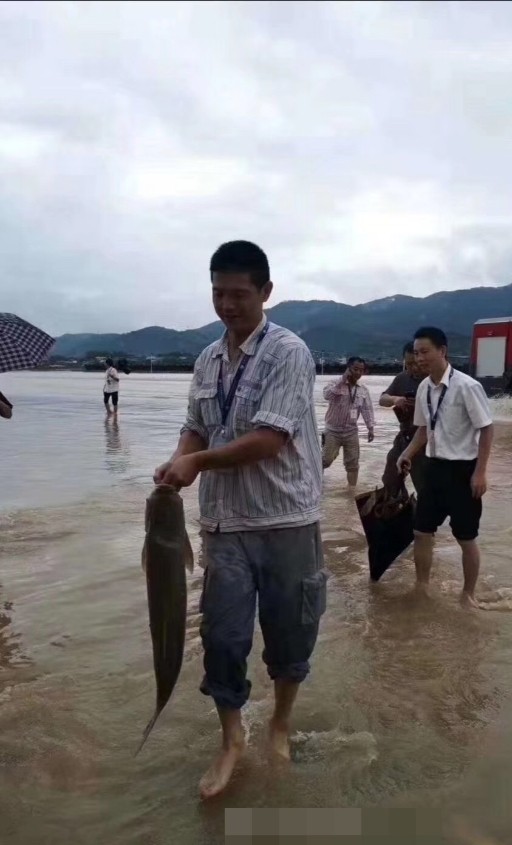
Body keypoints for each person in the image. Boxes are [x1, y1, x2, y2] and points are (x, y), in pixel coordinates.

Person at [153, 240, 326, 801]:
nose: (227, 305)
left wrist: (199, 461)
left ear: (266, 292)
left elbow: (271, 439)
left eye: (239, 294)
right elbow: (196, 424)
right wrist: (182, 457)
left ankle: (279, 722)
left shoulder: (289, 352)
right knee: (223, 639)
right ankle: (231, 738)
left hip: (286, 520)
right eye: (218, 293)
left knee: (290, 633)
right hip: (224, 526)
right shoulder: (206, 359)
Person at [397, 327, 493, 609]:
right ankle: (422, 586)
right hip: (434, 470)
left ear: (443, 351)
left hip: (464, 472)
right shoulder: (425, 387)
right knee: (421, 532)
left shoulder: (467, 386)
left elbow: (487, 430)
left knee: (466, 537)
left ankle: (468, 595)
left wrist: (481, 472)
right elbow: (423, 430)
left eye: (425, 351)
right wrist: (406, 453)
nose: (419, 358)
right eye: (416, 353)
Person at [379, 342, 426, 497]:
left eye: (416, 363)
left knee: (424, 487)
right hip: (404, 439)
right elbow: (382, 399)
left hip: (426, 444)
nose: (413, 367)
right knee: (390, 478)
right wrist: (395, 399)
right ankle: (400, 507)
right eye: (408, 363)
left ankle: (426, 516)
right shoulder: (402, 378)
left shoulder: (433, 381)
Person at [322, 357, 375, 488]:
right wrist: (342, 380)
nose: (358, 373)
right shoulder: (334, 383)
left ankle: (351, 493)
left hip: (351, 432)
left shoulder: (363, 389)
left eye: (361, 370)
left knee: (353, 464)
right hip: (332, 431)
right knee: (325, 460)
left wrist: (371, 428)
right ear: (348, 368)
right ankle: (316, 485)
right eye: (355, 369)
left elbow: (367, 409)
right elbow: (327, 396)